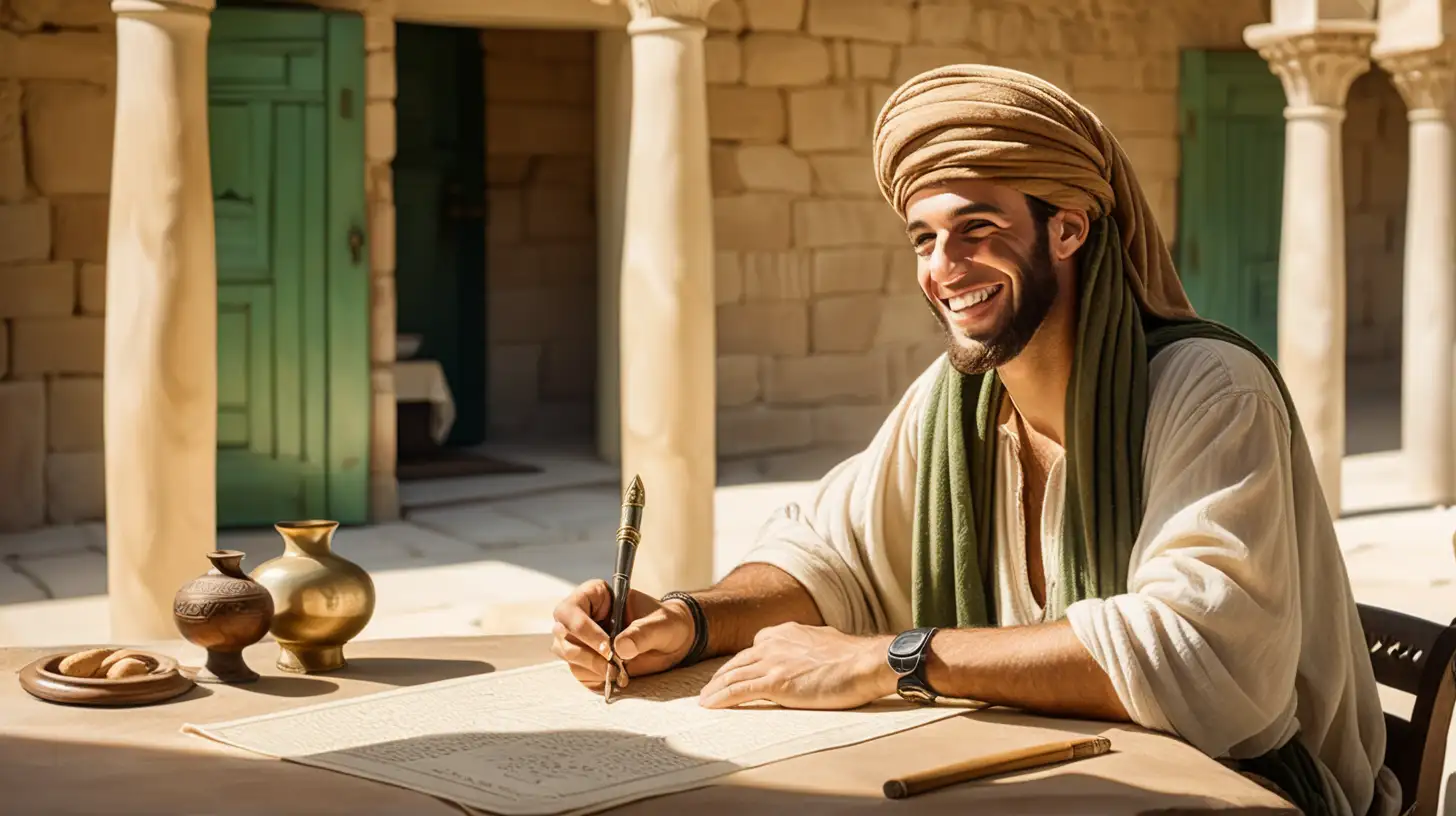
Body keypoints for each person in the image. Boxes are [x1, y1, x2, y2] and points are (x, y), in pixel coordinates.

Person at [549, 65, 1399, 816]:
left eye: (976, 229)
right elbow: (825, 557)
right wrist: (687, 620)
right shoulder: (953, 404)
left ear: (1067, 229)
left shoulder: (1207, 388)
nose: (943, 267)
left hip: (1250, 790)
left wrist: (891, 660)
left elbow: (1202, 664)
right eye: (924, 238)